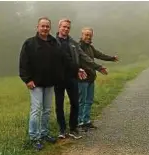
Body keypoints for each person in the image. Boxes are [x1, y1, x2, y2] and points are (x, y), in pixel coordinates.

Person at [19, 17, 87, 150]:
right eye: (42, 26)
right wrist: (27, 79)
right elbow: (23, 63)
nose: (45, 28)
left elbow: (65, 58)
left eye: (47, 26)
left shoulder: (54, 43)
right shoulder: (29, 43)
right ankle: (34, 137)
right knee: (36, 110)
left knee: (47, 110)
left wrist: (77, 68)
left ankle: (44, 134)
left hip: (50, 83)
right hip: (35, 83)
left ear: (50, 28)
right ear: (37, 27)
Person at [54, 19, 106, 139]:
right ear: (59, 27)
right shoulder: (53, 42)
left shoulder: (73, 43)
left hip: (72, 77)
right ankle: (62, 130)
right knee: (59, 105)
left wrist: (97, 67)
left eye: (68, 27)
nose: (66, 29)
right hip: (58, 78)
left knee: (75, 103)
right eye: (64, 27)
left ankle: (73, 129)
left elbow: (83, 57)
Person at [78, 27, 118, 131]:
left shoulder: (90, 47)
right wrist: (98, 68)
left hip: (91, 78)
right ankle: (80, 122)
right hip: (82, 79)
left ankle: (86, 121)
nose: (88, 37)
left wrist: (112, 58)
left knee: (89, 101)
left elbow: (99, 55)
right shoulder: (78, 47)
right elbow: (85, 62)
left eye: (90, 35)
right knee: (81, 101)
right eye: (86, 35)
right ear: (82, 35)